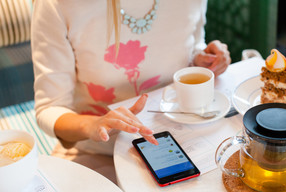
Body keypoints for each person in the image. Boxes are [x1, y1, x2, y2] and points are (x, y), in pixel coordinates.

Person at [31, 0, 231, 181]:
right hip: (101, 152)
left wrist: (201, 59)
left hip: (182, 144)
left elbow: (192, 44)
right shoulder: (58, 4)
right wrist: (93, 125)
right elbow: (51, 107)